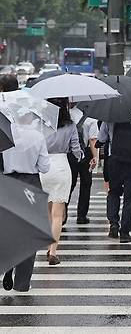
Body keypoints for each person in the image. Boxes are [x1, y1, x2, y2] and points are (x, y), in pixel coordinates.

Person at [1, 75, 50, 291]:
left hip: (8, 182)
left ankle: (8, 265)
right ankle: (23, 282)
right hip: (31, 184)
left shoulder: (4, 135)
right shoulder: (37, 137)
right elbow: (45, 167)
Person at [40, 98, 83, 265]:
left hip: (44, 167)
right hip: (62, 166)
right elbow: (76, 149)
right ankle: (53, 251)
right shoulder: (70, 125)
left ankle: (48, 244)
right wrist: (82, 157)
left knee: (48, 212)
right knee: (58, 214)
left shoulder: (42, 123)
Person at [97, 118, 131, 243]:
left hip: (115, 161)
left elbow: (102, 138)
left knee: (113, 193)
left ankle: (113, 224)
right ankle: (125, 232)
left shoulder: (110, 117)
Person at [66, 104, 99, 225]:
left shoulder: (65, 116)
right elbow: (93, 140)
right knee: (86, 184)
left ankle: (62, 214)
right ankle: (81, 216)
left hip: (69, 154)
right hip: (86, 154)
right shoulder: (91, 119)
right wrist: (95, 157)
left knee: (69, 184)